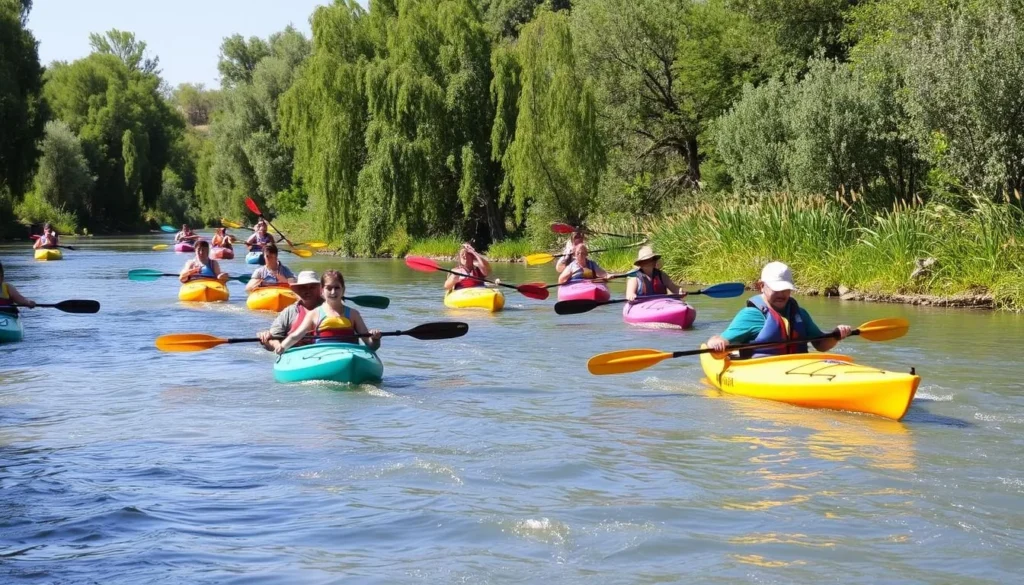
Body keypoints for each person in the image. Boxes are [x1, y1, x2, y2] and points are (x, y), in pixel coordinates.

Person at [706, 261, 852, 359]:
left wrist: (836, 336)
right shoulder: (751, 315)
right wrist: (715, 343)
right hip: (761, 370)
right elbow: (720, 340)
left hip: (797, 368)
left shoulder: (800, 314)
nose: (782, 294)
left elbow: (820, 345)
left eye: (785, 289)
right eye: (776, 289)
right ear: (761, 286)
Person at [276, 269, 382, 353]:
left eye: (337, 288)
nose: (333, 292)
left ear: (343, 290)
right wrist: (282, 347)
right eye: (329, 288)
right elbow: (296, 336)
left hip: (350, 353)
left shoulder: (354, 314)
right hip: (323, 355)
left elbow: (371, 345)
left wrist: (375, 339)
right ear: (322, 291)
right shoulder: (314, 314)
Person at [258, 270, 323, 352]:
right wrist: (277, 345)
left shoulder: (330, 308)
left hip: (323, 352)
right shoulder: (289, 312)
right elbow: (273, 337)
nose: (307, 291)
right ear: (298, 290)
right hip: (295, 354)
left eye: (312, 287)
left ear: (319, 290)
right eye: (303, 287)